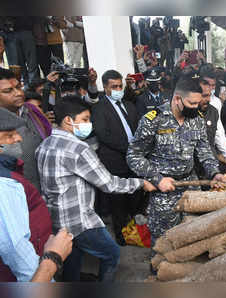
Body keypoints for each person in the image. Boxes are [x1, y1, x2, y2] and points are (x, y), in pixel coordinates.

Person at [35, 96, 156, 282]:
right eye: (84, 119)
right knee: (112, 253)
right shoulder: (78, 149)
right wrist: (140, 183)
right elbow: (109, 184)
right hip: (79, 220)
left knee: (72, 258)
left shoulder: (44, 145)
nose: (89, 124)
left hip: (57, 218)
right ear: (68, 120)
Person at [126, 77, 224, 252]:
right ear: (177, 98)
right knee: (163, 242)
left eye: (197, 103)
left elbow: (204, 151)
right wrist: (157, 179)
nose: (196, 107)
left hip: (191, 188)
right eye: (191, 103)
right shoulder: (153, 120)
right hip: (163, 192)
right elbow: (133, 156)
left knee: (193, 235)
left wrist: (214, 173)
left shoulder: (197, 119)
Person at [0, 107, 71, 282]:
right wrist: (53, 258)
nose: (19, 138)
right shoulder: (4, 185)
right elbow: (17, 252)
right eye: (9, 135)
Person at [91, 70, 143, 245]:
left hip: (134, 159)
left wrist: (140, 148)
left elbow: (138, 128)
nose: (118, 89)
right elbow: (103, 134)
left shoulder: (129, 105)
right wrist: (129, 148)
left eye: (120, 86)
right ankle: (121, 233)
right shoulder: (99, 108)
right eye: (114, 87)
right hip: (115, 160)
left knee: (136, 194)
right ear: (105, 88)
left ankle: (136, 228)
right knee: (118, 199)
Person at [0, 68, 51, 189]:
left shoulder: (32, 111)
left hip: (45, 188)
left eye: (18, 87)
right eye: (8, 91)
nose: (18, 93)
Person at [198, 69, 226, 170]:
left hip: (209, 156)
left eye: (213, 85)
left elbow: (219, 133)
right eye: (207, 84)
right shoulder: (191, 102)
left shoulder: (216, 103)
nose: (211, 88)